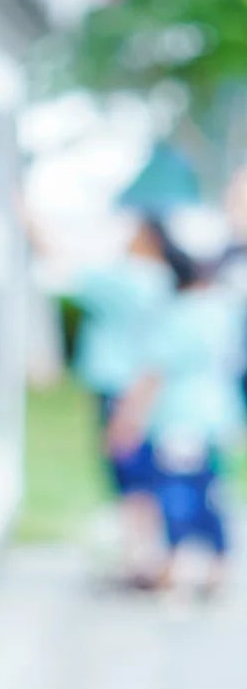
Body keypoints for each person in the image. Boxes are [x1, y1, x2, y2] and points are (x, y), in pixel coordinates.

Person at [107, 224, 244, 594]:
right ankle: (217, 565)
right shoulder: (223, 309)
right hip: (215, 413)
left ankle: (175, 566)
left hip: (180, 419)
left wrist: (126, 419)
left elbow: (152, 373)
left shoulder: (178, 315)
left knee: (177, 493)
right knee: (208, 489)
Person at [65, 213, 173, 583]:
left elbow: (65, 263)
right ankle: (145, 558)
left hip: (123, 391)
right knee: (143, 478)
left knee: (131, 480)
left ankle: (140, 561)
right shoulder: (162, 280)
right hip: (145, 390)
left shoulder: (129, 279)